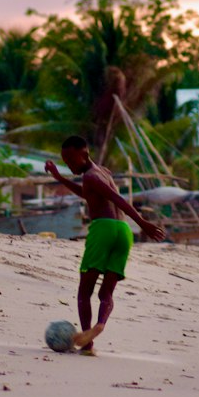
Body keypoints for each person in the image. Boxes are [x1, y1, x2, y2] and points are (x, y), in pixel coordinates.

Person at [44, 136, 165, 352]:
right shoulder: (103, 172)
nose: (69, 164)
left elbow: (117, 199)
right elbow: (87, 195)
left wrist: (143, 222)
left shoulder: (90, 176)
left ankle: (88, 344)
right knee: (105, 293)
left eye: (71, 159)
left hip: (103, 230)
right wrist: (60, 177)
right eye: (66, 161)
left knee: (84, 292)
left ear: (85, 153)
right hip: (123, 232)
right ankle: (100, 325)